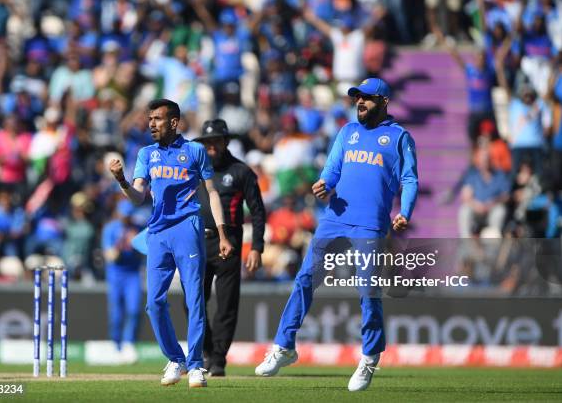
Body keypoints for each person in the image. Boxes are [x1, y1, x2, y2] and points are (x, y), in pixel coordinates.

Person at [254, 78, 418, 392]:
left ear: (383, 101)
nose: (360, 102)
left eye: (367, 98)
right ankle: (284, 347)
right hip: (335, 219)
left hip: (370, 224)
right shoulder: (347, 132)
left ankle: (369, 358)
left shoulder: (399, 137)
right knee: (304, 279)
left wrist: (405, 213)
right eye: (357, 97)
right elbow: (332, 170)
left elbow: (410, 179)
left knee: (368, 292)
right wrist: (323, 184)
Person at [108, 99, 232, 388]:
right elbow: (139, 197)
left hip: (188, 227)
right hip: (157, 232)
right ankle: (175, 359)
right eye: (149, 119)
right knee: (154, 303)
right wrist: (122, 181)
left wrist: (223, 233)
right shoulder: (146, 154)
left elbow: (212, 194)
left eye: (158, 119)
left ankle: (197, 365)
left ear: (174, 122)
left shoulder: (195, 151)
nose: (151, 124)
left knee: (194, 297)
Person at [193, 119, 266, 377]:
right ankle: (206, 351)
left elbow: (258, 211)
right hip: (196, 242)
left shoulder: (241, 172)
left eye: (216, 141)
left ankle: (219, 360)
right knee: (193, 302)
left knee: (226, 305)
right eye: (207, 142)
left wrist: (257, 247)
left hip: (229, 244)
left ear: (226, 142)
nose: (211, 146)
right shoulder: (194, 171)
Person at [102, 199, 143, 364]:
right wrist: (121, 244)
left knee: (134, 309)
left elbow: (145, 249)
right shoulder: (110, 229)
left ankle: (129, 343)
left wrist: (135, 243)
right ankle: (116, 345)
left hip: (133, 274)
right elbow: (109, 255)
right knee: (116, 313)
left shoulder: (138, 228)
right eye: (124, 216)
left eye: (129, 216)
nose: (127, 219)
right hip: (116, 274)